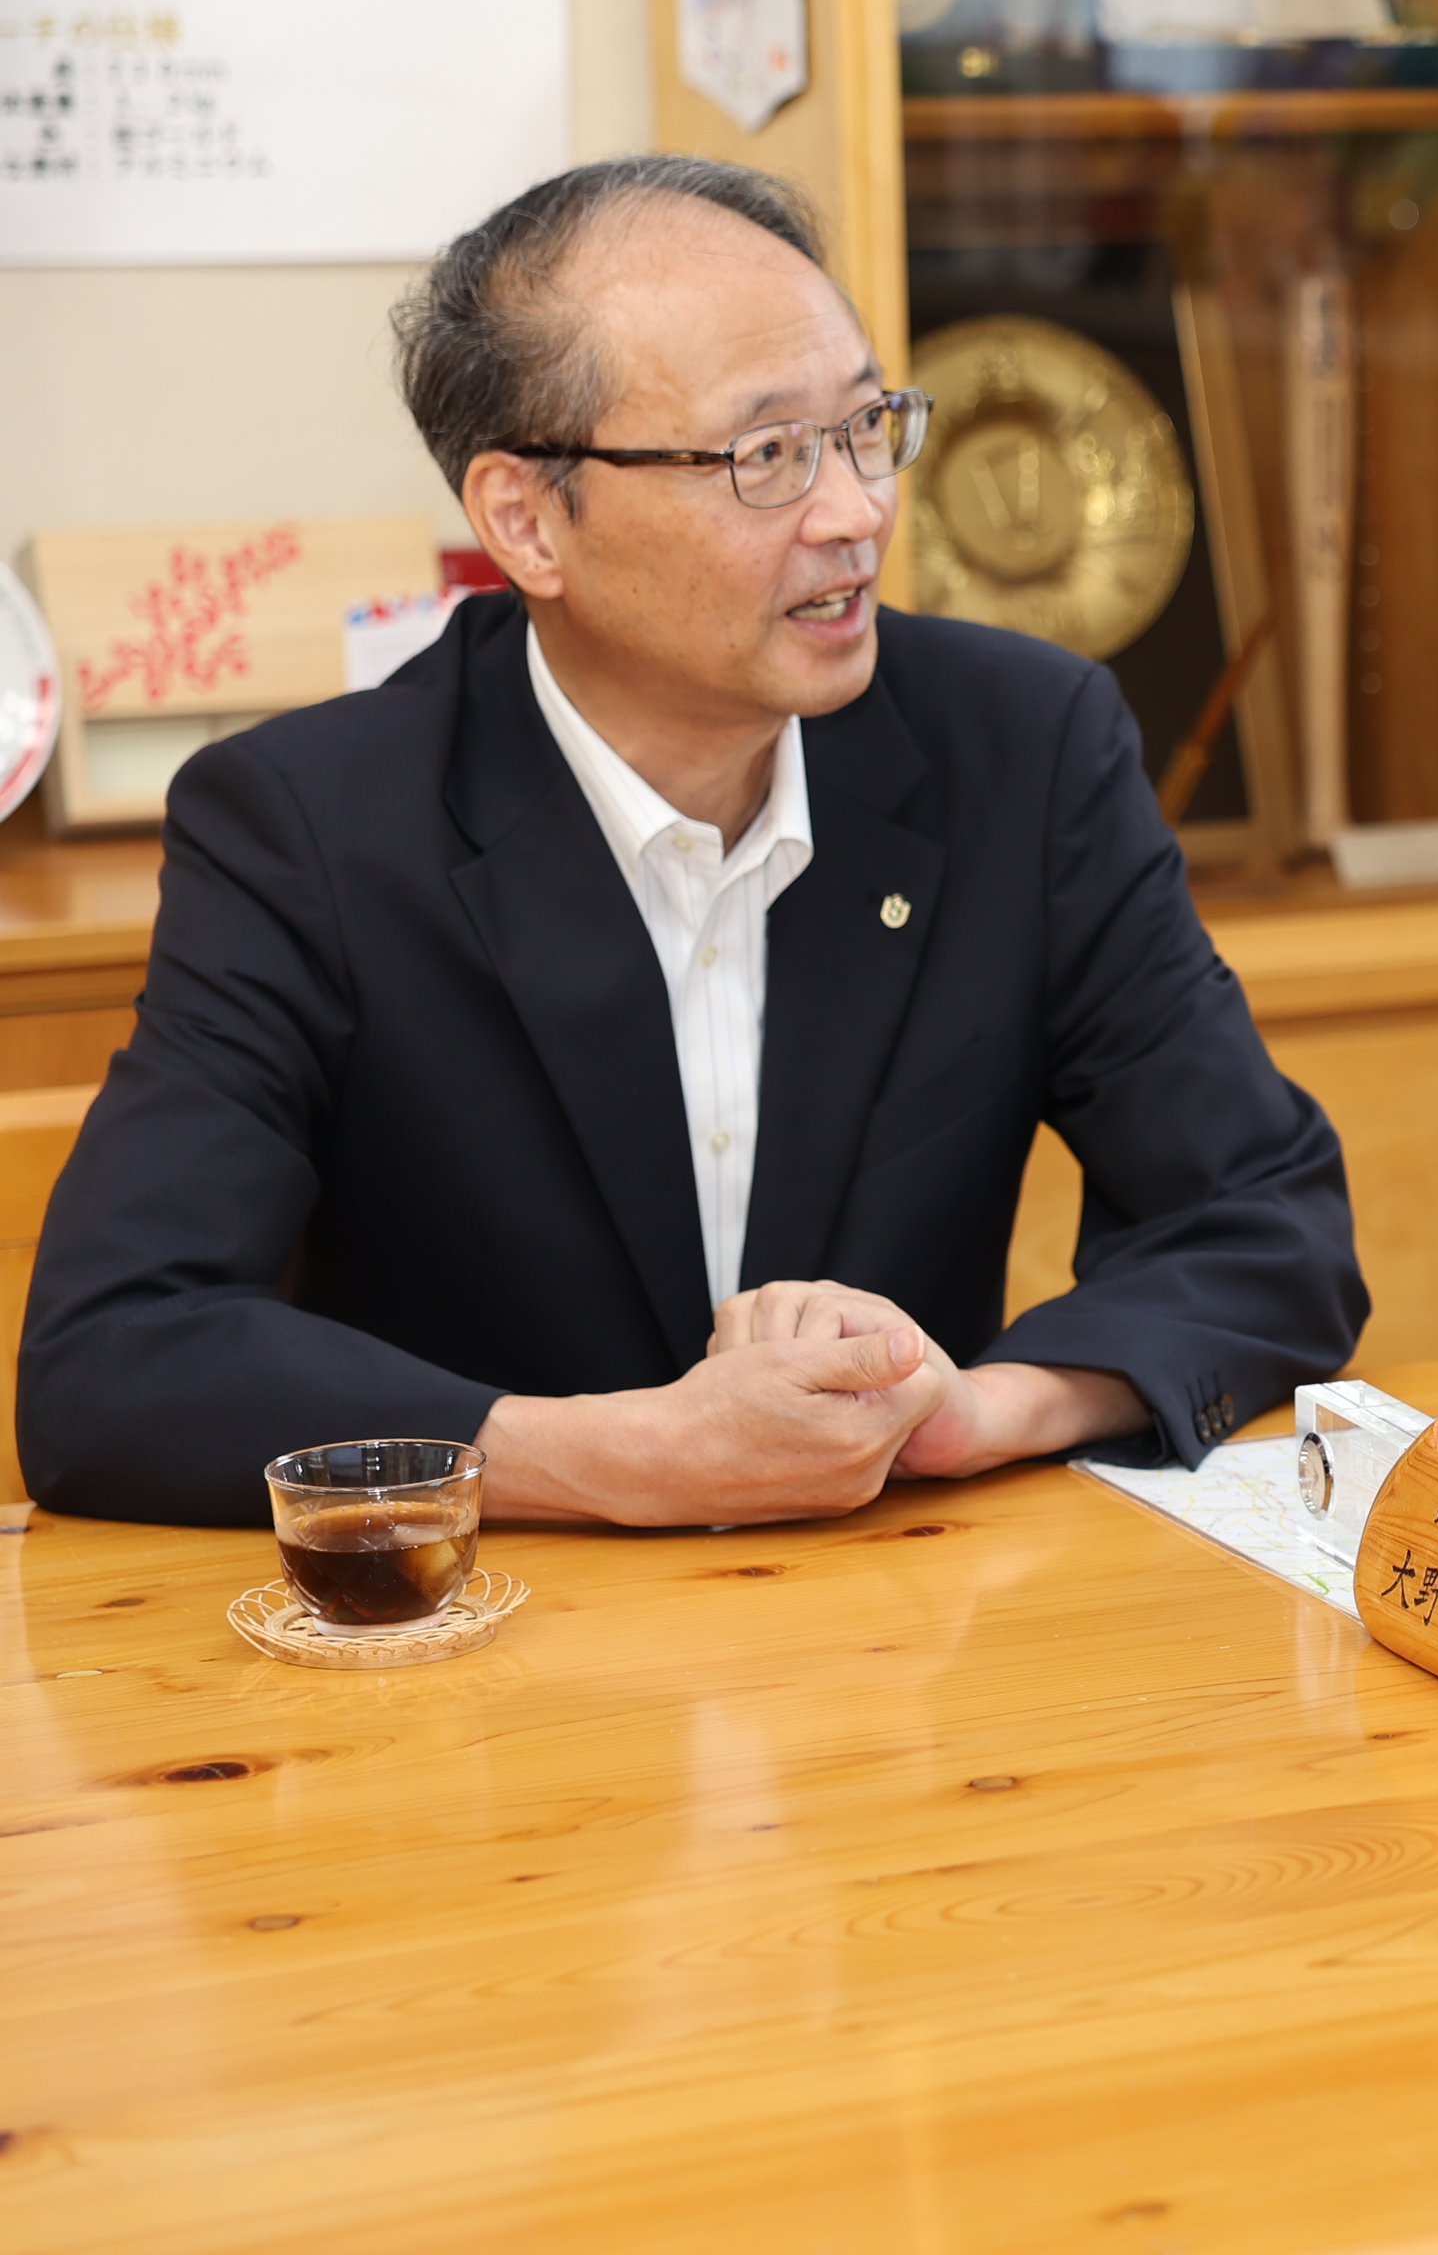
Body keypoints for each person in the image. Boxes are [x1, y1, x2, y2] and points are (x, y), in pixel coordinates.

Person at [19, 155, 1368, 1528]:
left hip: (903, 1644)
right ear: (528, 521)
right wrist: (615, 1457)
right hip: (486, 1671)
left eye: (864, 426)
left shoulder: (1019, 747)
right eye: (766, 456)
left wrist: (984, 1407)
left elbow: (1270, 1230)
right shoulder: (311, 826)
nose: (854, 512)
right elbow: (112, 1356)